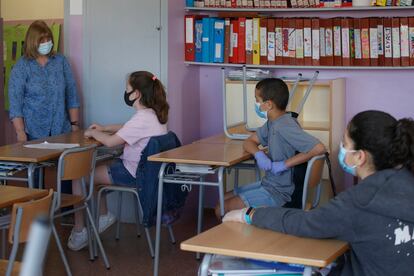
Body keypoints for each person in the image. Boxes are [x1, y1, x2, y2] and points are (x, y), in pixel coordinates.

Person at [223, 110, 414, 275]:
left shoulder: (358, 201)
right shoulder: (408, 179)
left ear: (360, 156)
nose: (340, 148)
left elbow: (304, 223)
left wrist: (250, 213)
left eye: (344, 143)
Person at [68, 71, 169, 251]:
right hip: (147, 173)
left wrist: (92, 133)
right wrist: (105, 127)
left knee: (79, 175)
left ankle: (79, 230)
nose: (125, 93)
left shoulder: (142, 118)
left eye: (127, 89)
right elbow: (127, 128)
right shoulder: (153, 115)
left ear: (136, 93)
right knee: (97, 171)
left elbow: (110, 142)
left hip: (133, 174)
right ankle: (104, 215)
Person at [216, 78, 325, 218]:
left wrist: (284, 164)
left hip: (281, 193)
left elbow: (319, 148)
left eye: (257, 100)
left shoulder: (284, 126)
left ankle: (246, 238)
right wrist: (259, 154)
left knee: (221, 209)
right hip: (269, 184)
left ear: (268, 104)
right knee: (222, 199)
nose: (256, 104)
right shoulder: (273, 122)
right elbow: (249, 142)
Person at [9, 20, 80, 142]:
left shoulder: (60, 61)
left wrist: (74, 124)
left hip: (62, 130)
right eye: (42, 41)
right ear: (33, 42)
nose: (46, 43)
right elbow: (15, 103)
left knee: (63, 161)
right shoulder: (22, 66)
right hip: (34, 133)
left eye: (48, 40)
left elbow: (72, 94)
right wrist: (20, 132)